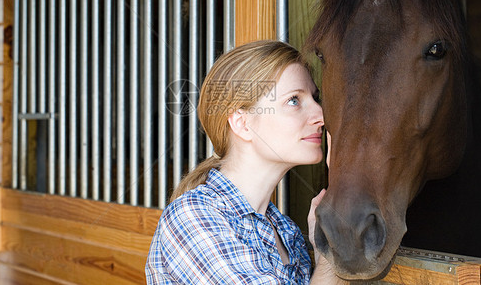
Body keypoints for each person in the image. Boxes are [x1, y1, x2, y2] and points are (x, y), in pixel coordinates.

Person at [146, 40, 343, 284]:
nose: (321, 115)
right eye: (294, 100)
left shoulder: (286, 232)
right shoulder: (194, 217)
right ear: (243, 123)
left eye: (315, 98)